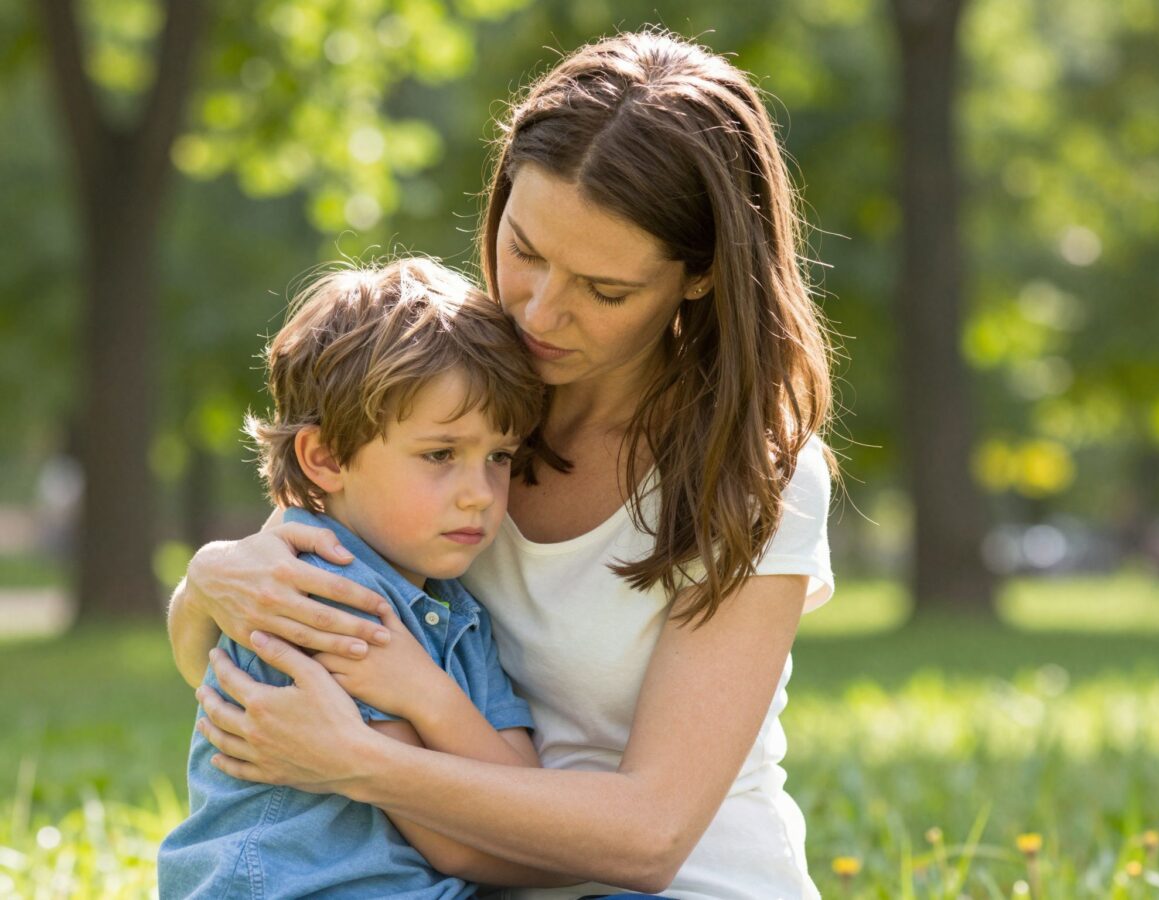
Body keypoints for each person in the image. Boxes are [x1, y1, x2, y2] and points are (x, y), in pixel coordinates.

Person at [167, 29, 837, 900]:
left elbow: (649, 840)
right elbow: (266, 668)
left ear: (699, 277)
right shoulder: (448, 392)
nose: (542, 312)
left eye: (605, 290)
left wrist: (362, 763)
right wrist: (214, 579)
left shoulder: (751, 472)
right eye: (524, 250)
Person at [159, 257, 585, 897]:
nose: (479, 494)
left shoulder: (455, 607)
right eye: (440, 454)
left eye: (499, 456)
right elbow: (462, 841)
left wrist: (424, 694)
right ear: (326, 457)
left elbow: (521, 786)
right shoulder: (318, 592)